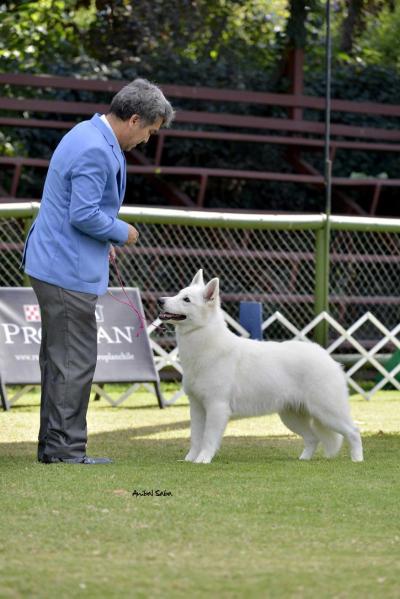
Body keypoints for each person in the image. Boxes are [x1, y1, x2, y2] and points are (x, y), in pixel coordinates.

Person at [22, 78, 175, 464]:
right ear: (135, 119)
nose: (146, 142)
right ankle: (65, 451)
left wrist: (100, 243)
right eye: (149, 132)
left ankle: (54, 447)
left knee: (61, 360)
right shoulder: (95, 147)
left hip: (58, 261)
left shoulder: (87, 133)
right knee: (74, 361)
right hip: (64, 269)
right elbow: (84, 213)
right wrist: (123, 232)